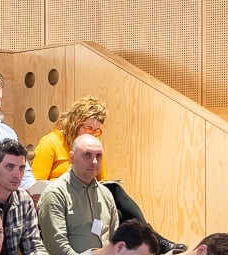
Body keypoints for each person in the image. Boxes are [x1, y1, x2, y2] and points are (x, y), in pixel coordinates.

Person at [31, 96, 153, 233]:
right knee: (115, 197)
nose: (93, 134)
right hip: (64, 200)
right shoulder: (51, 142)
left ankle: (149, 237)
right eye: (88, 128)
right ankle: (152, 237)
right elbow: (37, 185)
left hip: (88, 200)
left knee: (117, 206)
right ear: (75, 123)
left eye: (96, 130)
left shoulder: (94, 146)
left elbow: (103, 181)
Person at [36, 133, 117, 255]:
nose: (94, 161)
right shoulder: (55, 193)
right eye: (87, 155)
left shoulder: (106, 194)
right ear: (72, 158)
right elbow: (57, 246)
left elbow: (115, 239)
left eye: (98, 156)